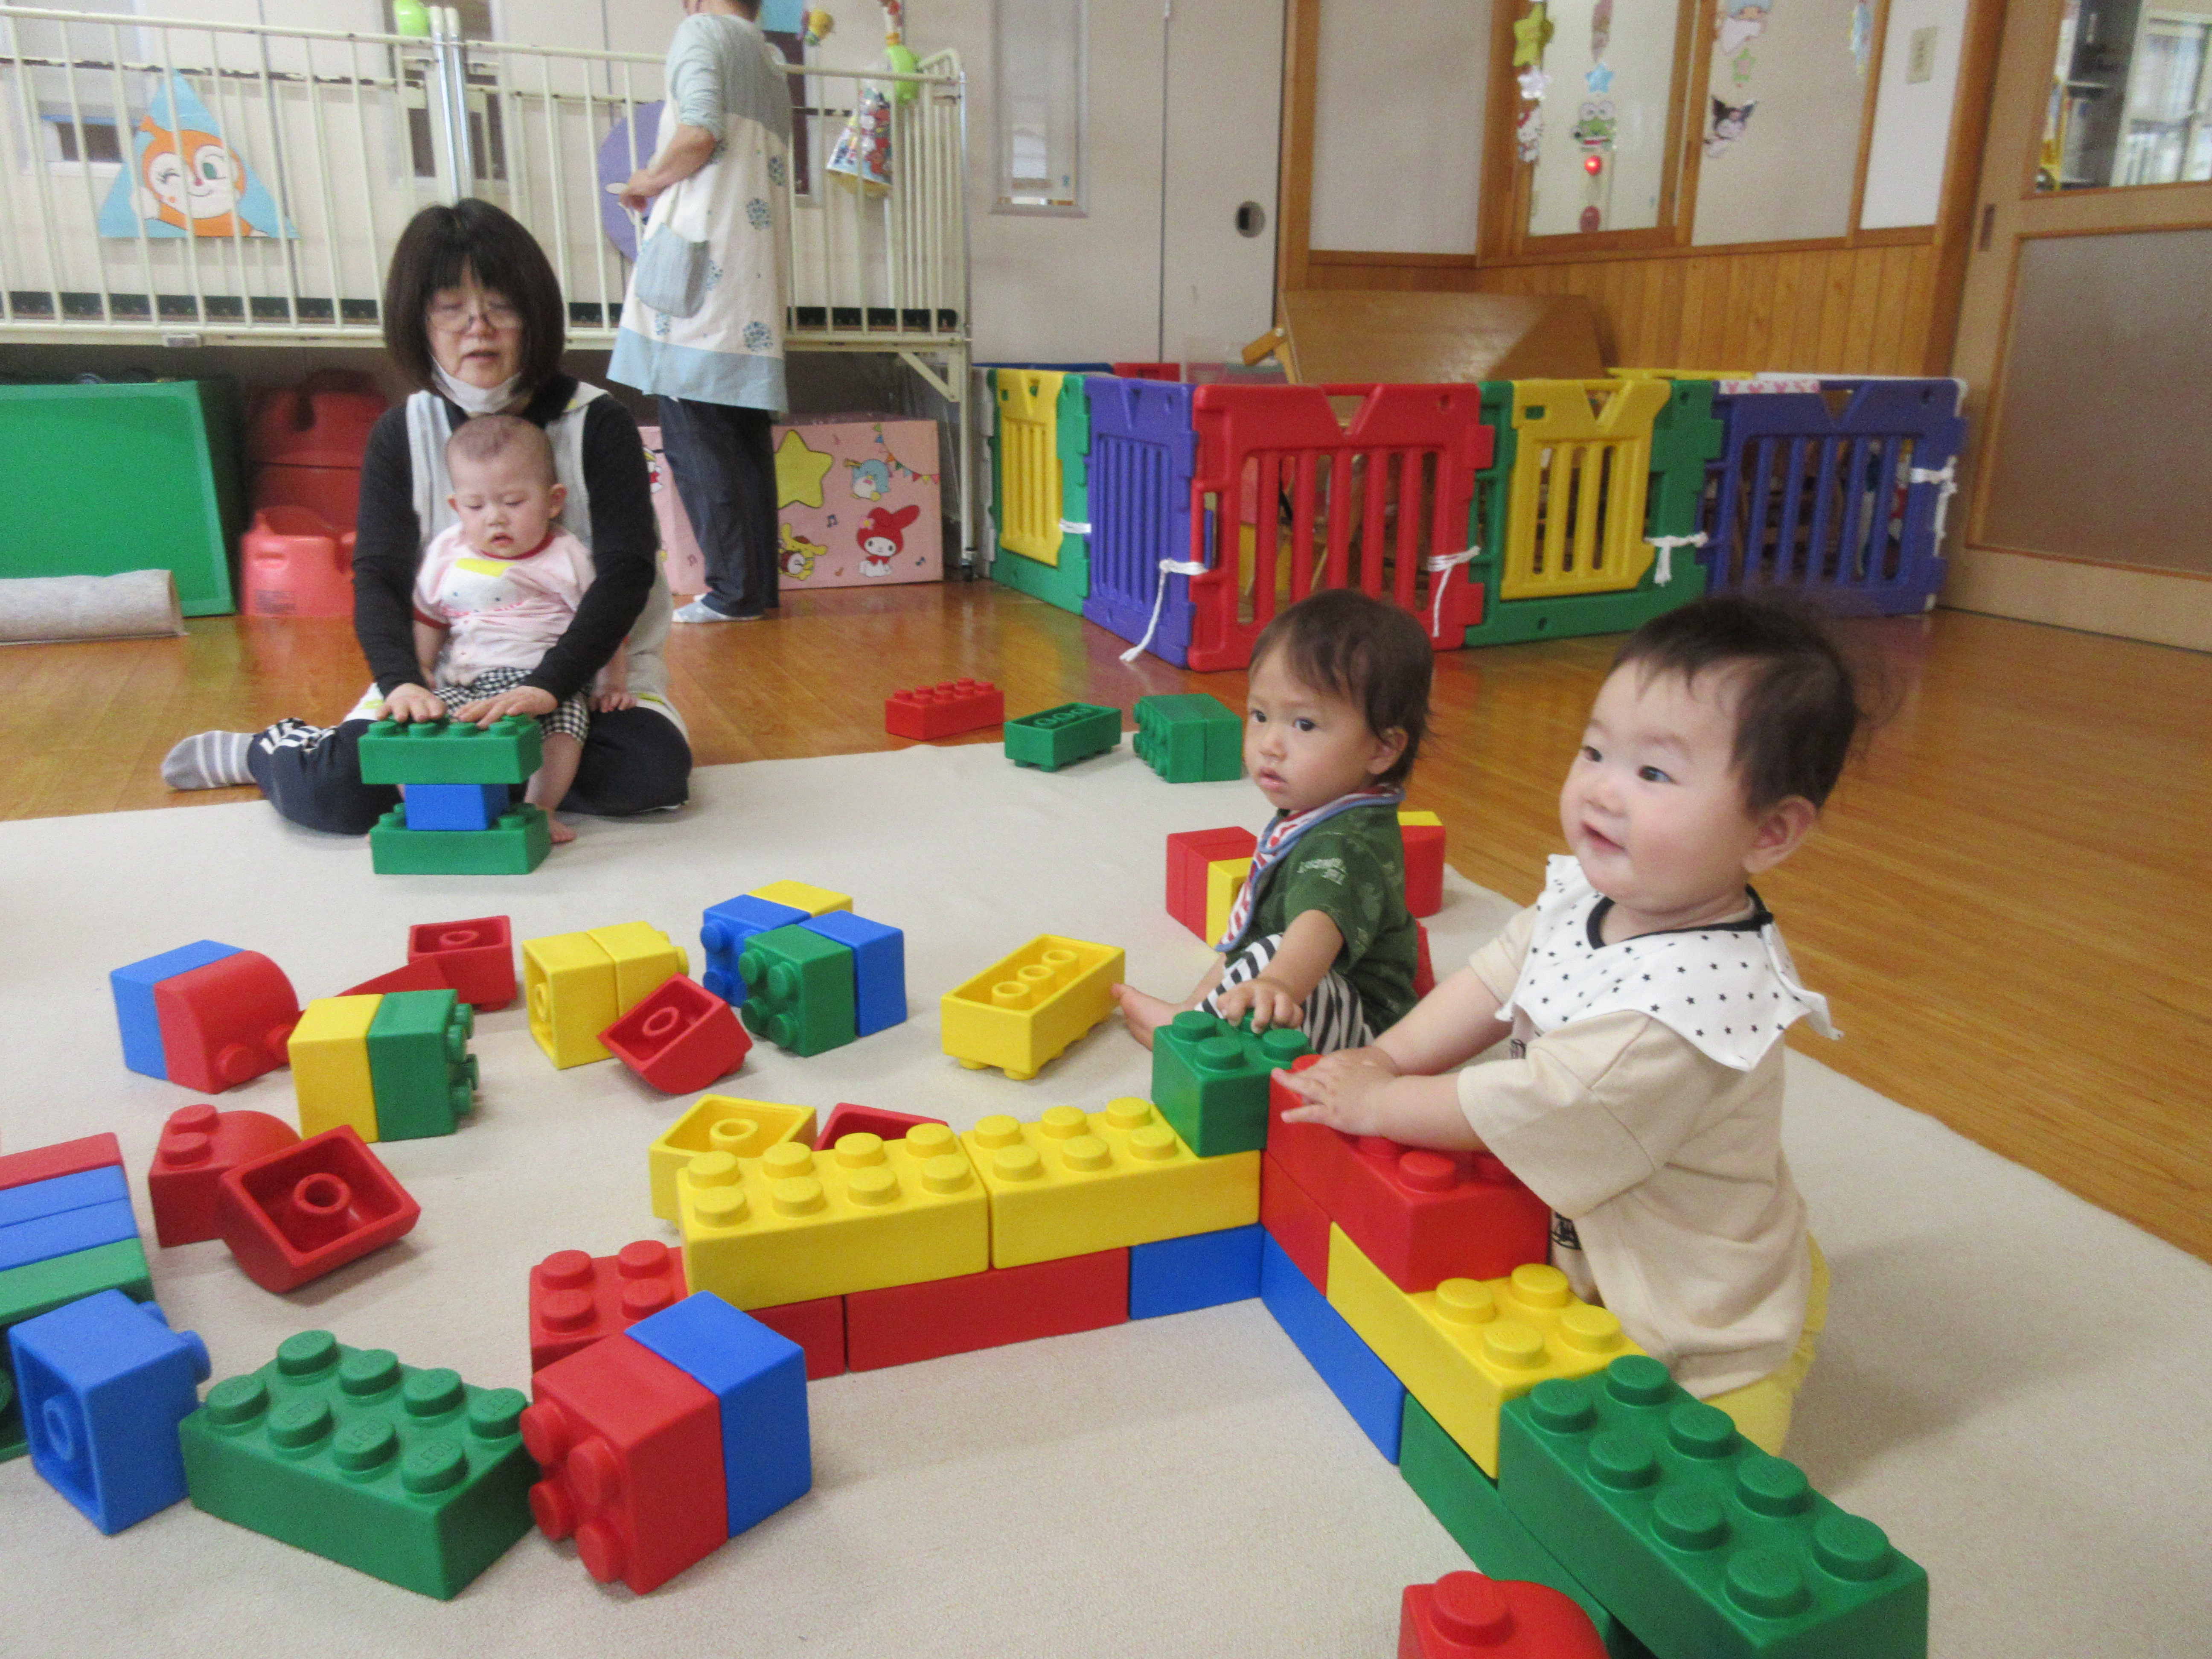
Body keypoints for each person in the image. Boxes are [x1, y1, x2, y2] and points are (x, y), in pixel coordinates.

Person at [1276, 594, 1870, 1455]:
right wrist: (1386, 1056)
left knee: (1692, 1474)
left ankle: (1768, 1334)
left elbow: (1535, 1100)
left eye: (1653, 773)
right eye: (1594, 751)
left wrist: (1378, 1105)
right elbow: (1493, 975)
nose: (1601, 788)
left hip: (1692, 1309)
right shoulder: (1592, 896)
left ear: (1770, 831)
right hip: (1594, 1230)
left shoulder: (1672, 1012)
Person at [162, 200, 690, 830]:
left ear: (535, 316)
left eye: (501, 306)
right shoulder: (401, 431)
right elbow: (379, 576)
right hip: (450, 681)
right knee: (334, 793)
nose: (478, 329)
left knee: (649, 775)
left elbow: (626, 574)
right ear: (420, 322)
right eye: (450, 308)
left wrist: (549, 685)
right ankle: (264, 750)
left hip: (587, 678)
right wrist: (402, 682)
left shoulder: (597, 421)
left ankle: (494, 776)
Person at [1114, 590, 1429, 1055]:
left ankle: (1193, 1035)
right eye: (1260, 716)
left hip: (1361, 1027)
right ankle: (1193, 1015)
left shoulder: (1347, 841)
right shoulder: (1322, 807)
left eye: (1304, 725)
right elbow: (1255, 939)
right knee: (1256, 945)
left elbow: (1318, 924)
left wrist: (1279, 982)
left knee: (1270, 952)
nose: (1269, 745)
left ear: (1383, 749)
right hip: (1316, 993)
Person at [611, 0, 792, 624]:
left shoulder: (701, 32)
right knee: (742, 437)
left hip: (704, 261)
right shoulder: (769, 59)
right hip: (751, 269)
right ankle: (755, 589)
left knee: (694, 430)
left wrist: (647, 179)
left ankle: (731, 592)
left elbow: (698, 133)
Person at [411, 415, 631, 844]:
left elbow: (605, 623)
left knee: (565, 727)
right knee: (425, 733)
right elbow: (429, 615)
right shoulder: (446, 552)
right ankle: (434, 810)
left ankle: (540, 808)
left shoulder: (566, 555)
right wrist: (419, 668)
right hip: (465, 678)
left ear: (553, 501)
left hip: (544, 680)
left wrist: (612, 683)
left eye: (513, 503)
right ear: (456, 507)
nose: (496, 519)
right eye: (476, 507)